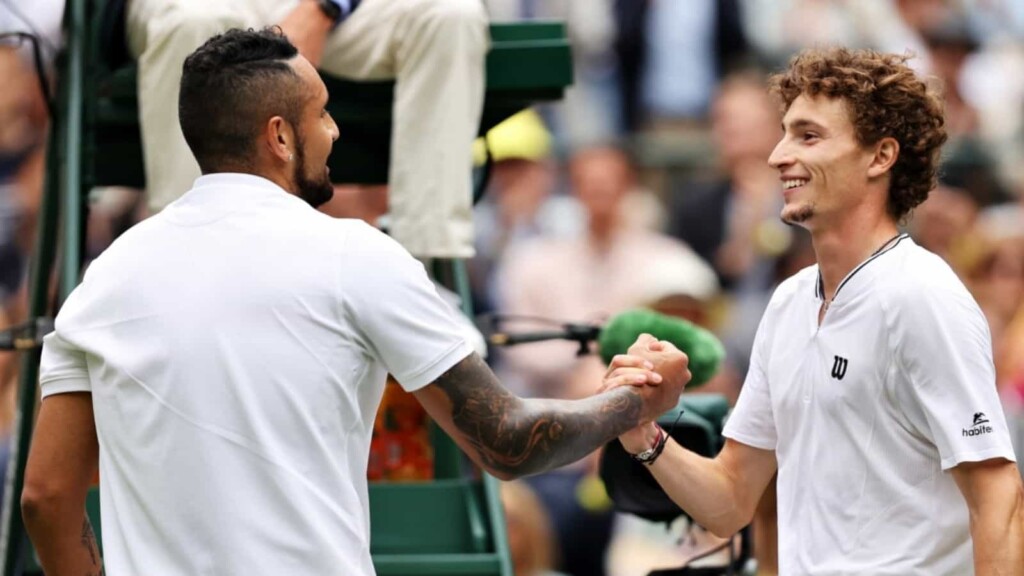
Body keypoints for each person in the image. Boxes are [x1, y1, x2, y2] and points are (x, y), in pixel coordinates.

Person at [18, 28, 692, 576]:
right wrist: (635, 400)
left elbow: (46, 498)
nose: (335, 132)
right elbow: (507, 444)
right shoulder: (356, 256)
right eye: (323, 114)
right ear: (280, 137)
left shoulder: (104, 278)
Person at [614, 47, 1024, 575]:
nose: (778, 154)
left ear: (881, 157)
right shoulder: (787, 303)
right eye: (784, 133)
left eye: (808, 136)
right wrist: (642, 434)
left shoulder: (922, 296)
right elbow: (731, 500)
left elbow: (997, 497)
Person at [126, 0, 486, 258]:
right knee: (192, 18)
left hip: (345, 11)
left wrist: (324, 6)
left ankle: (418, 271)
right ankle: (183, 259)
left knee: (451, 14)